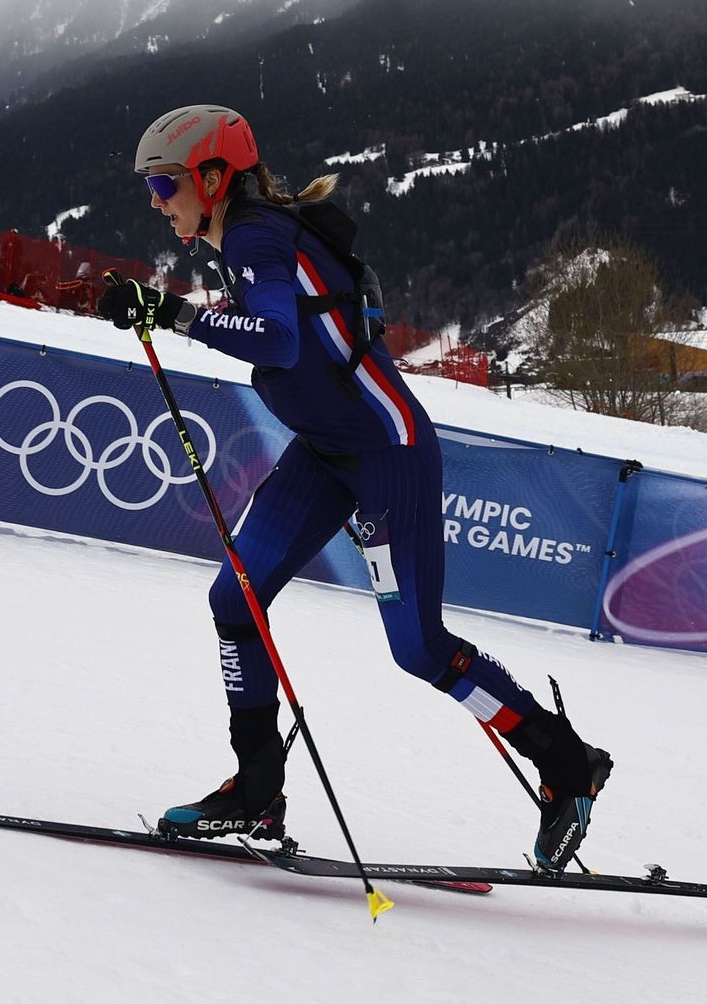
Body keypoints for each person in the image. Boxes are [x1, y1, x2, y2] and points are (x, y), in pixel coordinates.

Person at [97, 104, 612, 871]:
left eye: (165, 183)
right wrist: (171, 309)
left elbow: (278, 339)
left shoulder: (255, 235)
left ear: (213, 177)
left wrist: (170, 312)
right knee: (235, 598)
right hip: (327, 452)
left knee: (419, 648)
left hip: (386, 454)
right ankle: (257, 789)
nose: (155, 199)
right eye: (151, 185)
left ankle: (569, 764)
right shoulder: (250, 238)